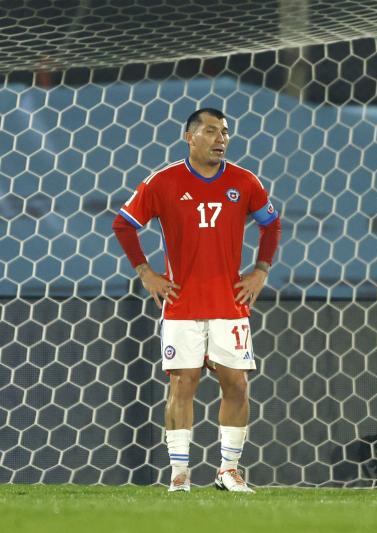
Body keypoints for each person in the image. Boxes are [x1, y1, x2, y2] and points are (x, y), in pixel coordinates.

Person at [112, 108, 281, 493]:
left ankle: (228, 471)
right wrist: (146, 272)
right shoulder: (164, 182)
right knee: (182, 385)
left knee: (236, 383)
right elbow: (123, 224)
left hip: (230, 303)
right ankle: (179, 475)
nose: (221, 138)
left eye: (225, 131)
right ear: (189, 137)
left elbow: (271, 224)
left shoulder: (244, 182)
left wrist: (261, 270)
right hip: (182, 304)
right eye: (211, 131)